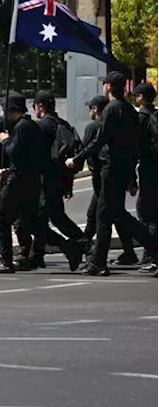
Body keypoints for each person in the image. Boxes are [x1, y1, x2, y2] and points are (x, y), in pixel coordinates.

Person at [69, 72, 159, 275]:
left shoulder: (112, 109)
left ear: (109, 87)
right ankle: (99, 262)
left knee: (106, 215)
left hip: (111, 168)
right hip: (123, 168)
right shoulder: (128, 109)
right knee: (114, 214)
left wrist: (77, 158)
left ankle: (99, 263)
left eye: (105, 84)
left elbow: (99, 140)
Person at [0, 93, 43, 274]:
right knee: (28, 221)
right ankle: (68, 247)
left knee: (1, 220)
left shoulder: (21, 127)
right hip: (28, 177)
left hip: (19, 180)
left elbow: (15, 151)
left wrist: (5, 140)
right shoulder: (30, 125)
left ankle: (5, 261)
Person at [30, 90, 85, 271]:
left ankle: (75, 245)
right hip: (60, 179)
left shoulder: (42, 126)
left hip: (45, 180)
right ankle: (36, 255)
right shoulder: (65, 125)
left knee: (36, 220)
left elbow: (34, 155)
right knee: (51, 217)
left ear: (40, 106)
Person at [130, 82, 159, 273]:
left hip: (148, 169)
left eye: (136, 96)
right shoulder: (156, 115)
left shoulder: (141, 118)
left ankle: (152, 254)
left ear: (141, 97)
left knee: (145, 212)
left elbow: (134, 147)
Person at [79, 96, 107, 260]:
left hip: (98, 174)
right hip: (108, 173)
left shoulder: (92, 127)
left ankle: (88, 248)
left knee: (96, 214)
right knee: (105, 213)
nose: (89, 111)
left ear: (96, 109)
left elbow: (84, 148)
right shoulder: (110, 125)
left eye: (90, 108)